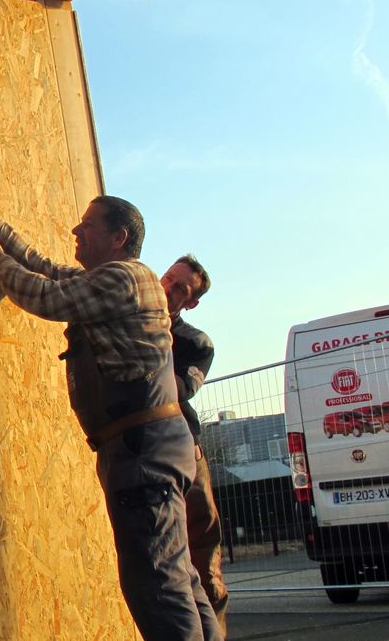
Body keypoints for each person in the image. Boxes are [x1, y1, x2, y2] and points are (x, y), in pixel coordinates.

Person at [0, 180, 221, 641]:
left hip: (142, 453)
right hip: (148, 449)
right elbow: (45, 268)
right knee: (178, 578)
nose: (76, 229)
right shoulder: (117, 281)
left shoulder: (124, 278)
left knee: (156, 584)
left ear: (120, 239)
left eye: (88, 225)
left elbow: (47, 296)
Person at [161, 255, 229, 635]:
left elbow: (181, 388)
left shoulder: (195, 342)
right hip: (141, 453)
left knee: (204, 568)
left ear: (191, 302)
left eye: (181, 288)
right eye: (168, 278)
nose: (168, 288)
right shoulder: (129, 312)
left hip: (187, 452)